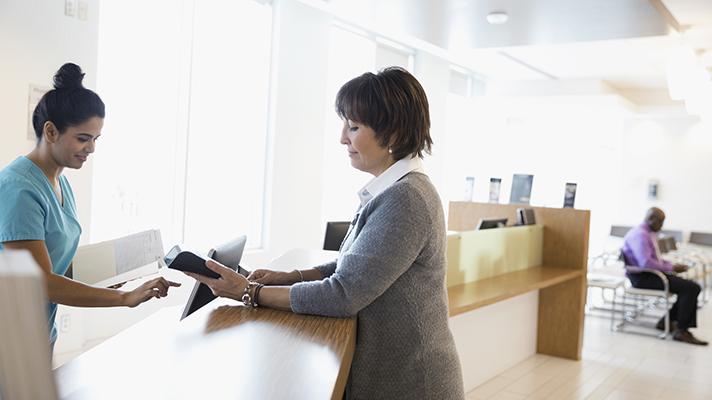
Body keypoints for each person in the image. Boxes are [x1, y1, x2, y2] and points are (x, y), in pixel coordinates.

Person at [187, 67, 465, 399]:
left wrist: (250, 292)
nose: (342, 138)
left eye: (354, 126)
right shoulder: (391, 191)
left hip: (413, 383)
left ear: (392, 134)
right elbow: (352, 267)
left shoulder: (406, 199)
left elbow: (343, 294)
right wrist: (290, 276)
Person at [0, 63, 180, 348]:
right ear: (50, 132)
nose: (92, 148)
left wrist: (112, 275)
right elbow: (39, 282)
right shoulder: (18, 188)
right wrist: (123, 299)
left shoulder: (59, 182)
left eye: (96, 139)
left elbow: (56, 263)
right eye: (83, 138)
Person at [622, 207, 707, 346]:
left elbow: (655, 259)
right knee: (691, 288)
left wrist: (671, 265)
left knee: (690, 286)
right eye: (660, 222)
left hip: (651, 274)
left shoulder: (647, 233)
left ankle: (666, 322)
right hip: (643, 277)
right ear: (651, 219)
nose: (662, 225)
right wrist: (671, 268)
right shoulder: (640, 235)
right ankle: (681, 330)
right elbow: (646, 263)